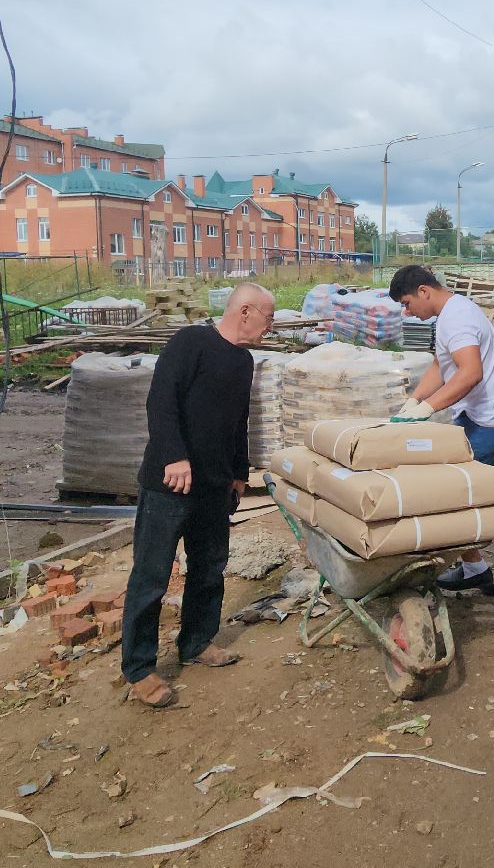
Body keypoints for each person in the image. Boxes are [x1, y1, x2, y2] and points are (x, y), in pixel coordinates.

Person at [121, 282, 275, 709]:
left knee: (209, 569)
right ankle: (139, 668)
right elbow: (161, 402)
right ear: (245, 312)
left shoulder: (243, 361)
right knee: (151, 575)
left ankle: (196, 642)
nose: (270, 326)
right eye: (269, 317)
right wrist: (174, 455)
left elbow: (239, 420)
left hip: (214, 486)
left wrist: (239, 473)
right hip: (170, 483)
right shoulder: (190, 343)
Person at [387, 265, 494, 602]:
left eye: (407, 303)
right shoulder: (452, 313)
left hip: (489, 425)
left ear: (424, 291)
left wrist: (427, 409)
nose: (407, 312)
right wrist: (414, 400)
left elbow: (470, 373)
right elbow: (442, 365)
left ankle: (474, 567)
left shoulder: (457, 318)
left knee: (451, 494)